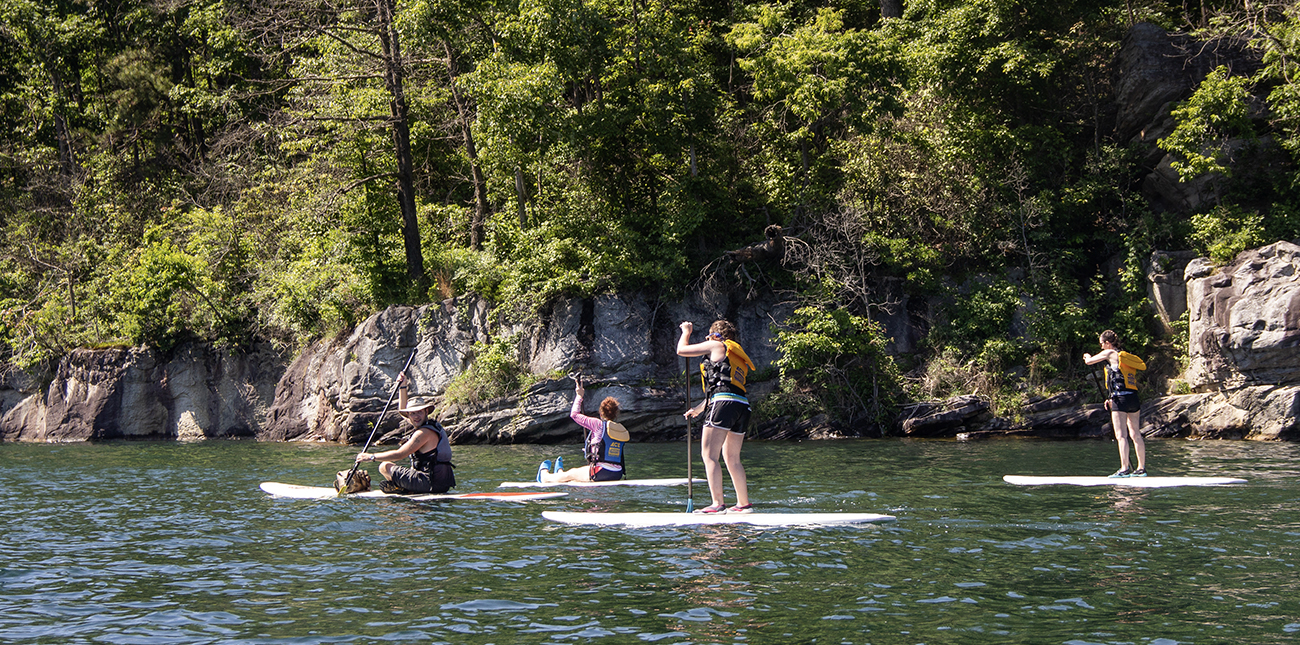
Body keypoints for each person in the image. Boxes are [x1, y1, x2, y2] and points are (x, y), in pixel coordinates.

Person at [677, 319, 757, 514]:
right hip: (741, 405)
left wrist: (686, 332)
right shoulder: (732, 355)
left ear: (714, 334)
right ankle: (743, 504)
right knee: (732, 458)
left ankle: (717, 503)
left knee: (709, 455)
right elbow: (724, 386)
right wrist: (698, 409)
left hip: (722, 404)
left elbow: (682, 350)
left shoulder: (716, 344)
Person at [355, 372, 455, 493]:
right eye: (412, 413)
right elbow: (402, 411)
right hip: (441, 484)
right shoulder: (431, 426)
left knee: (384, 467)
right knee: (392, 467)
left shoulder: (423, 433)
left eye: (419, 412)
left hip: (430, 484)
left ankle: (405, 489)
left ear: (426, 412)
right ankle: (403, 488)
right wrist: (403, 387)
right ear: (409, 415)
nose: (416, 416)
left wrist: (371, 457)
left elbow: (399, 454)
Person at [537, 375, 629, 483]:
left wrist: (579, 396)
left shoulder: (597, 424)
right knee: (574, 479)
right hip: (617, 473)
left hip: (600, 472)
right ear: (615, 414)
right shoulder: (621, 429)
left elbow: (574, 414)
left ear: (600, 412)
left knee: (572, 473)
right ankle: (560, 473)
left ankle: (545, 477)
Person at [1083, 330, 1148, 478]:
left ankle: (1124, 469)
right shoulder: (1123, 356)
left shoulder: (1110, 353)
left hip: (1121, 400)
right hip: (1133, 398)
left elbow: (1090, 361)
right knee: (1135, 433)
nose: (1101, 347)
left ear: (1108, 343)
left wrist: (1087, 356)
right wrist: (1110, 398)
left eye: (1101, 344)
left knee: (1121, 435)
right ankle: (1141, 468)